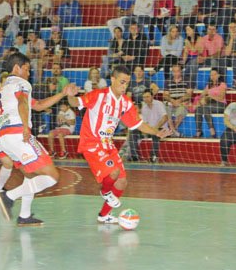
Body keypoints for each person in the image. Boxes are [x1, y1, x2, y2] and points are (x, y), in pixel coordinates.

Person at [64, 65, 170, 224]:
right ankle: (105, 192)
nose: (124, 86)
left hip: (108, 144)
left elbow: (138, 124)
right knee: (112, 172)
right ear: (112, 79)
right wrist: (69, 95)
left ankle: (104, 215)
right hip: (91, 143)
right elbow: (75, 101)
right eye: (121, 82)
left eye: (127, 83)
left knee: (122, 182)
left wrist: (156, 132)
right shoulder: (98, 95)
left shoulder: (126, 103)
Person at [0, 52, 78, 226]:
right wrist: (26, 126)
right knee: (52, 176)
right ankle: (8, 196)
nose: (29, 73)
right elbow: (22, 104)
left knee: (31, 174)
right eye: (26, 69)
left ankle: (24, 215)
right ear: (16, 68)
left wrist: (63, 93)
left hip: (4, 138)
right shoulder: (21, 83)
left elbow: (39, 105)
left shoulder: (5, 87)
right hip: (18, 133)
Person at [126, 91, 168, 163]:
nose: (146, 99)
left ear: (152, 96)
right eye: (144, 97)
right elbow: (145, 123)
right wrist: (145, 130)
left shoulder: (159, 104)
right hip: (150, 129)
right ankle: (134, 156)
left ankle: (153, 157)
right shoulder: (144, 108)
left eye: (147, 97)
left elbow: (165, 117)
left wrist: (155, 128)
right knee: (133, 132)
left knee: (156, 134)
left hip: (161, 128)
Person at [194, 68, 227, 138]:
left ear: (218, 75)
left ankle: (212, 130)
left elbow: (221, 98)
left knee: (205, 107)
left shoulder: (222, 84)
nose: (213, 76)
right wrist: (201, 101)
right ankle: (198, 131)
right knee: (199, 109)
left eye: (214, 74)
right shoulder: (208, 86)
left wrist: (211, 96)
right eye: (211, 75)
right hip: (209, 105)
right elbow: (201, 96)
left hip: (220, 104)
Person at [162, 63, 192, 137]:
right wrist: (172, 101)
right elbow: (165, 95)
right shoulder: (167, 81)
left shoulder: (187, 80)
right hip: (171, 102)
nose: (176, 73)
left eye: (178, 71)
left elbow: (189, 94)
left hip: (182, 102)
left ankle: (172, 131)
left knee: (181, 111)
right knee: (165, 110)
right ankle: (174, 132)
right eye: (174, 71)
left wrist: (179, 100)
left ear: (181, 71)